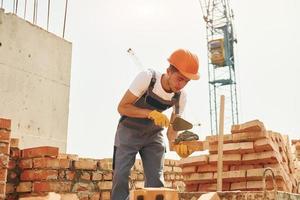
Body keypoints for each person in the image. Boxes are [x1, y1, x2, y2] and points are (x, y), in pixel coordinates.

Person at [111, 49, 200, 200]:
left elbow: (171, 132)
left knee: (156, 182)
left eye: (186, 81)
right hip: (129, 131)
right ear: (169, 71)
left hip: (153, 135)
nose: (182, 85)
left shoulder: (180, 97)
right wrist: (149, 113)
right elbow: (122, 107)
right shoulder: (147, 78)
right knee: (120, 175)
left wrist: (177, 145)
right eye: (179, 78)